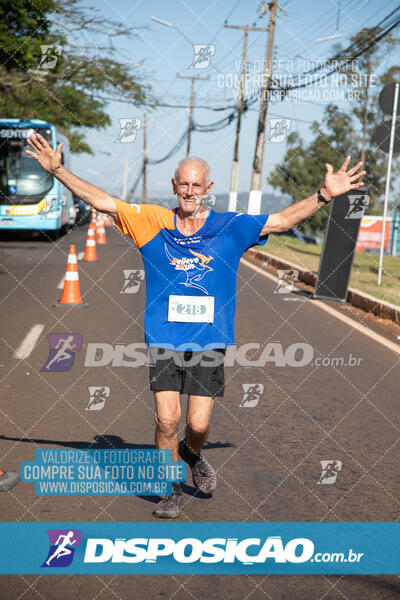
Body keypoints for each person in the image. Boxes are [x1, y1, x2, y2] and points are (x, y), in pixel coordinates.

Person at [26, 133, 365, 518]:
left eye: (196, 185)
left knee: (197, 424)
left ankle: (191, 452)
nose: (189, 191)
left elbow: (283, 219)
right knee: (167, 419)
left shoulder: (230, 227)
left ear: (208, 188)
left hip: (208, 340)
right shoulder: (151, 221)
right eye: (183, 184)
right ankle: (171, 488)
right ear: (174, 186)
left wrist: (324, 195)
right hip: (164, 338)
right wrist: (58, 171)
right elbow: (101, 199)